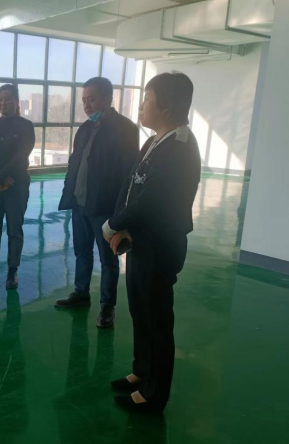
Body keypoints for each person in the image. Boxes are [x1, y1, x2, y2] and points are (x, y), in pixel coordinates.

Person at [104, 72, 201, 412]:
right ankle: (142, 370)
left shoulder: (179, 147)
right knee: (140, 310)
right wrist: (121, 224)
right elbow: (130, 185)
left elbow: (155, 200)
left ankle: (154, 394)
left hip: (160, 246)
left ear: (168, 106)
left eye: (147, 99)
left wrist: (114, 224)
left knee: (157, 318)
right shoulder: (155, 141)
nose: (142, 106)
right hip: (141, 241)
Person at [55, 77, 139, 329]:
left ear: (107, 98)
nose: (86, 105)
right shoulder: (84, 128)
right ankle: (81, 293)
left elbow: (128, 174)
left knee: (108, 258)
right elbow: (75, 162)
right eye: (83, 100)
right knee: (81, 252)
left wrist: (120, 213)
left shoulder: (125, 129)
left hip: (104, 208)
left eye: (91, 99)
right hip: (80, 203)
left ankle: (107, 306)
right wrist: (69, 192)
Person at [0, 84, 35, 289]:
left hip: (17, 184)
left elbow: (22, 155)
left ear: (17, 101)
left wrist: (1, 177)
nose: (3, 102)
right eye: (0, 99)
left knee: (14, 229)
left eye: (8, 98)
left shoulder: (26, 126)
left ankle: (12, 271)